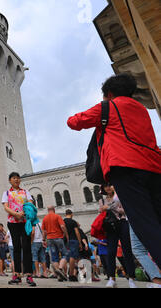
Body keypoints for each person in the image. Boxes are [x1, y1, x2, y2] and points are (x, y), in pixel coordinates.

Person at [67, 73, 161, 268]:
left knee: (145, 224)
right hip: (154, 167)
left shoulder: (108, 106)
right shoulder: (142, 109)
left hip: (126, 168)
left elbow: (74, 122)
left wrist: (102, 109)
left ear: (108, 94)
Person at [2, 172, 36, 287]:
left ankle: (29, 275)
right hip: (13, 222)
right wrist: (16, 214)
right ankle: (16, 274)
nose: (16, 180)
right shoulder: (7, 193)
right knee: (16, 247)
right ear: (10, 180)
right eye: (14, 178)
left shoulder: (26, 192)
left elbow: (30, 204)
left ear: (20, 180)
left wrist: (24, 213)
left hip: (25, 222)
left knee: (26, 247)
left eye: (18, 178)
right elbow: (6, 207)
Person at [99, 183, 137, 288]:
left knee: (127, 250)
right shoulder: (102, 201)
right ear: (103, 189)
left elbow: (125, 211)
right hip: (110, 227)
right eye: (105, 186)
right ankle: (111, 278)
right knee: (111, 252)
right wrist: (108, 208)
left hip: (122, 223)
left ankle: (131, 279)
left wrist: (112, 207)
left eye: (110, 185)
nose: (108, 187)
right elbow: (101, 211)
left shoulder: (120, 197)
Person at [41, 205, 69, 282]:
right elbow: (62, 226)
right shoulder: (57, 216)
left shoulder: (45, 218)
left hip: (50, 239)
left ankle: (59, 276)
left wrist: (43, 239)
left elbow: (44, 231)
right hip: (58, 237)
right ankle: (60, 268)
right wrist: (66, 235)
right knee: (65, 254)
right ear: (54, 209)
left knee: (54, 257)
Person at [63, 209, 82, 281]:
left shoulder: (63, 221)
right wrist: (80, 242)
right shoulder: (73, 222)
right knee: (72, 257)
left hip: (65, 241)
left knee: (66, 256)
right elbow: (77, 232)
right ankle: (71, 274)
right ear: (71, 214)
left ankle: (64, 273)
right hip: (73, 240)